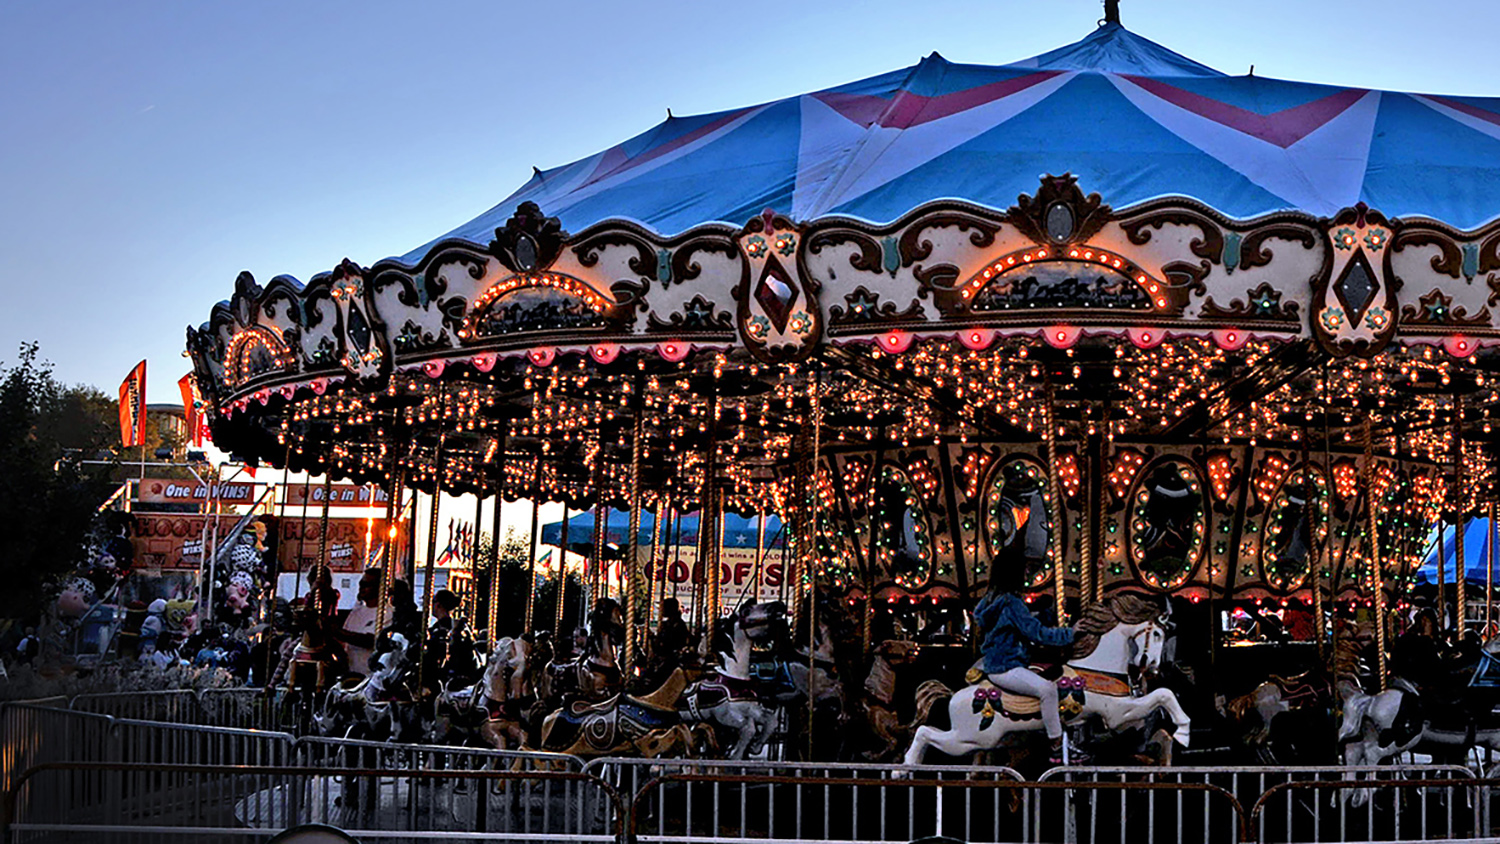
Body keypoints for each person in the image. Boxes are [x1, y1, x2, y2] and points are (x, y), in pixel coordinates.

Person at [973, 560, 1076, 762]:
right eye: (1024, 571)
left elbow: (1026, 624)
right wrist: (1071, 633)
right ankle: (1056, 742)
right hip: (1007, 665)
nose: (1027, 575)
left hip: (998, 662)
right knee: (1048, 690)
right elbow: (1036, 633)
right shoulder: (1011, 602)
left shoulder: (992, 600)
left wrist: (1050, 612)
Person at [335, 568, 384, 676]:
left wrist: (335, 631)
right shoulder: (356, 612)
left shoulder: (386, 614)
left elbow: (371, 641)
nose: (361, 588)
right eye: (361, 584)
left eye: (367, 585)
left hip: (369, 675)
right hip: (351, 672)